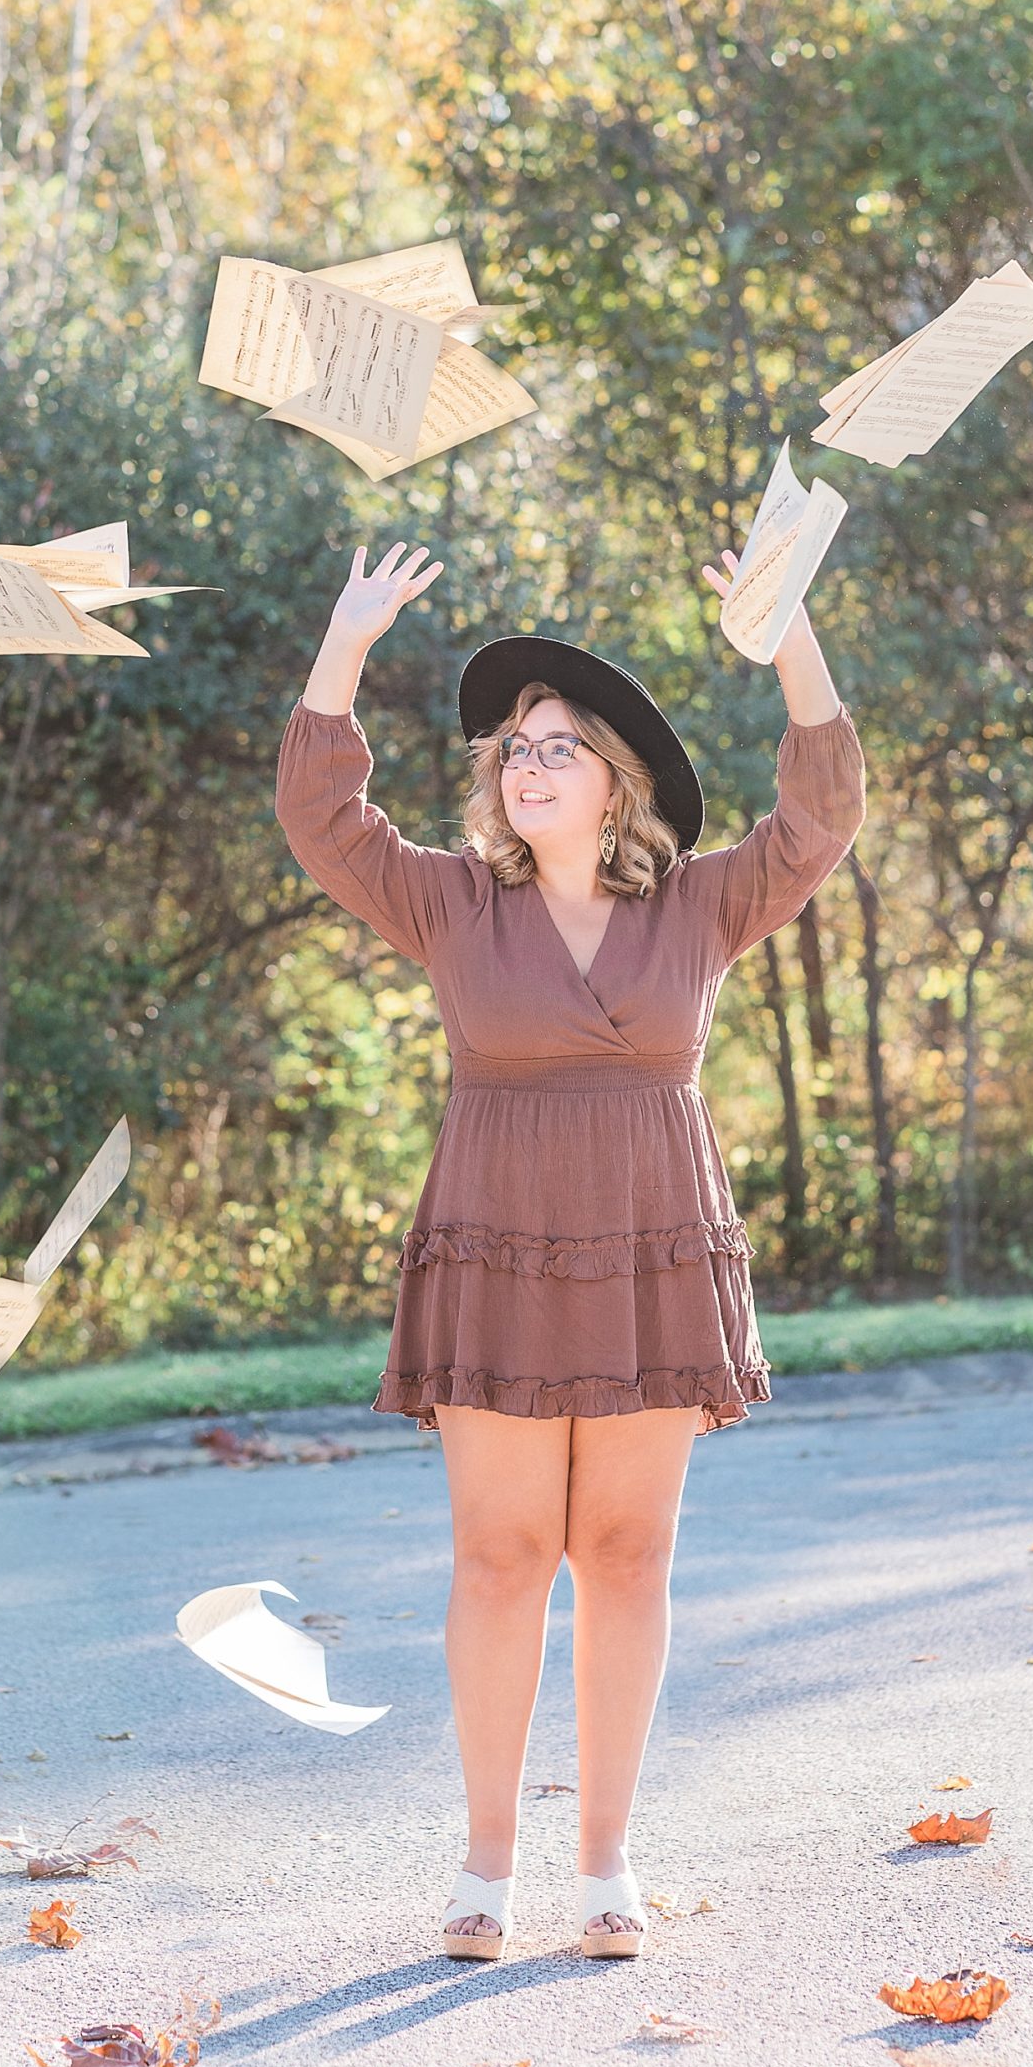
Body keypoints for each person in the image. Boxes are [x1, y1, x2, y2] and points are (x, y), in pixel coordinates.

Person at [275, 541, 866, 1962]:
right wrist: (345, 645)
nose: (526, 767)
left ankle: (604, 1863)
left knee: (625, 1549)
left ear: (615, 778)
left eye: (558, 748)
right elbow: (321, 814)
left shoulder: (700, 906)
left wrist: (788, 639)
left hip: (652, 1244)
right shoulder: (448, 902)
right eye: (512, 750)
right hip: (500, 1248)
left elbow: (822, 811)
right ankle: (487, 1865)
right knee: (500, 1552)